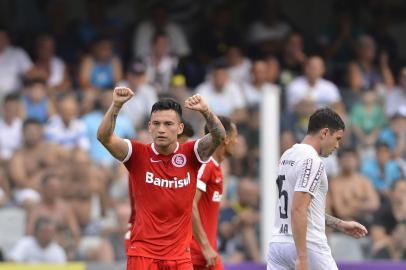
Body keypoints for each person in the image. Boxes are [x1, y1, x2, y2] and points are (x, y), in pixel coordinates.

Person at [97, 87, 225, 270]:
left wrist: (206, 111)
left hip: (180, 257)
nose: (161, 130)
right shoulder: (137, 154)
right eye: (156, 124)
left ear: (180, 128)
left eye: (168, 124)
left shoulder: (191, 153)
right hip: (143, 255)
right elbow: (104, 137)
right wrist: (116, 105)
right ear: (149, 126)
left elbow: (219, 136)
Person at [267, 108, 368, 270]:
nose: (337, 145)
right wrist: (302, 257)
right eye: (337, 138)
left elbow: (301, 207)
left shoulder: (287, 155)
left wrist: (339, 224)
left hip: (278, 245)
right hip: (308, 244)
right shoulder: (312, 161)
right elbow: (298, 209)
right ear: (325, 133)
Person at [191, 116, 237, 270]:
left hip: (207, 254)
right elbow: (190, 204)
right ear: (225, 138)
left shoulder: (216, 167)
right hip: (196, 254)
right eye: (235, 137)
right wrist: (204, 246)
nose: (236, 142)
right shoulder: (206, 165)